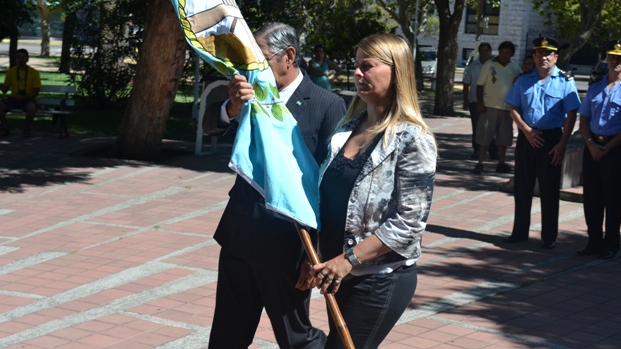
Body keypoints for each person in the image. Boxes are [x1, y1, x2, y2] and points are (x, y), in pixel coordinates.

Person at [208, 22, 347, 348]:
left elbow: (332, 187)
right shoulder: (249, 94)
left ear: (289, 55)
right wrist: (233, 108)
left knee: (295, 338)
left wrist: (315, 255)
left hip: (289, 243)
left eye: (262, 59)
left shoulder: (327, 104)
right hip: (239, 233)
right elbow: (210, 125)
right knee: (227, 335)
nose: (253, 68)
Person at [296, 34, 437, 348]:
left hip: (378, 280)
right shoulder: (347, 128)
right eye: (356, 65)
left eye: (367, 66)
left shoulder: (412, 139)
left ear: (396, 71)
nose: (358, 73)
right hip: (338, 276)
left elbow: (409, 225)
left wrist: (348, 260)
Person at [503, 37, 581, 248]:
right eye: (539, 54)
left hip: (551, 140)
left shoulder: (566, 82)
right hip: (527, 138)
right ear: (534, 57)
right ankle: (519, 232)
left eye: (548, 54)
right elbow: (513, 108)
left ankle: (549, 236)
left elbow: (572, 114)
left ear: (556, 57)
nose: (543, 58)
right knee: (522, 187)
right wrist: (526, 131)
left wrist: (563, 144)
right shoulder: (523, 80)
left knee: (549, 189)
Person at [577, 39, 621, 260]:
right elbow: (584, 119)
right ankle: (593, 241)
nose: (615, 61)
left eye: (620, 59)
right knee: (591, 197)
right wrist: (591, 145)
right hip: (593, 146)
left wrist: (608, 147)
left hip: (615, 148)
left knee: (612, 198)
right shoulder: (595, 86)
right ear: (607, 58)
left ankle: (611, 244)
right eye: (612, 57)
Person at [473, 41, 521, 174]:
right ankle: (480, 163)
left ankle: (501, 163)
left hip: (506, 108)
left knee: (503, 138)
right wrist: (480, 103)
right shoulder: (489, 65)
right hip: (489, 106)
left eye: (507, 53)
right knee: (485, 136)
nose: (504, 55)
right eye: (502, 52)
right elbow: (479, 85)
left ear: (512, 54)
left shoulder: (515, 69)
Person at [462, 42, 498, 159]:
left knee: (491, 127)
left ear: (490, 52)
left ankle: (493, 150)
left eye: (487, 51)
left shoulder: (495, 65)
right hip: (475, 101)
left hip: (491, 102)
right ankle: (477, 150)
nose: (484, 53)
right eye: (482, 51)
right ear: (479, 52)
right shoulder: (473, 66)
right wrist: (466, 100)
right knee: (477, 126)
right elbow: (466, 84)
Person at [0, 48, 41, 138]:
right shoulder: (11, 71)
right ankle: (6, 129)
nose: (20, 60)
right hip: (13, 99)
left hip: (27, 99)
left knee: (31, 107)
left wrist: (23, 98)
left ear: (27, 59)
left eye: (23, 58)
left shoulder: (34, 73)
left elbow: (36, 92)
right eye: (18, 58)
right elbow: (5, 89)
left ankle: (26, 130)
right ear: (15, 59)